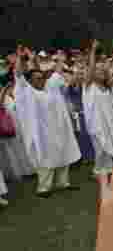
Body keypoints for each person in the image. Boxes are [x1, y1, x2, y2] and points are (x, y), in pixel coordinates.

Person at [13, 46, 81, 196]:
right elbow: (18, 74)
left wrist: (60, 59)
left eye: (42, 78)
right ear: (30, 81)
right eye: (37, 78)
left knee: (63, 154)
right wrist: (20, 57)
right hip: (42, 134)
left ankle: (63, 183)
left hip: (59, 130)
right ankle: (44, 188)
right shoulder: (27, 92)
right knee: (45, 159)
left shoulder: (50, 87)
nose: (41, 80)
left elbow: (57, 72)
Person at [83, 42, 113, 176]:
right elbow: (90, 68)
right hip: (97, 123)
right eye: (97, 71)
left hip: (112, 122)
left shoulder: (108, 86)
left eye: (103, 71)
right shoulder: (88, 86)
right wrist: (93, 51)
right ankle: (101, 170)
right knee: (101, 148)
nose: (101, 72)